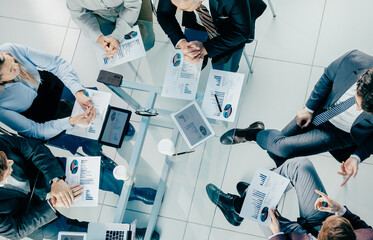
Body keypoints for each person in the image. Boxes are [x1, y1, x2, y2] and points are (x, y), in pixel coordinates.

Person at [220, 50, 373, 186]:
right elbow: (327, 77)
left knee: (280, 148)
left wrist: (356, 157)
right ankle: (281, 177)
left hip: (340, 134)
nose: (358, 109)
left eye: (364, 109)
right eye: (358, 101)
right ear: (361, 80)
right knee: (276, 151)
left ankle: (252, 134)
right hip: (319, 111)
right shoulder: (354, 60)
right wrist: (309, 108)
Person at [0, 134, 159, 240]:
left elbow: (34, 149)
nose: (11, 162)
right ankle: (128, 236)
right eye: (8, 167)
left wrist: (56, 180)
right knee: (70, 234)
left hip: (40, 173)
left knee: (89, 173)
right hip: (25, 215)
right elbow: (16, 230)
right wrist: (52, 205)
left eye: (6, 159)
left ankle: (130, 191)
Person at [0, 42, 136, 163]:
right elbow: (34, 130)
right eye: (11, 70)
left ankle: (116, 124)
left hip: (54, 88)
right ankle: (94, 150)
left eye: (9, 59)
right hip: (43, 118)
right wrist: (70, 121)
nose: (15, 64)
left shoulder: (10, 49)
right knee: (87, 139)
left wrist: (78, 91)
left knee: (94, 106)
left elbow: (57, 64)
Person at [205, 157, 373, 239]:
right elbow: (364, 229)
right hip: (326, 229)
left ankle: (237, 207)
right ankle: (251, 193)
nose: (323, 224)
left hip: (292, 237)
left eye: (323, 228)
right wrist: (339, 210)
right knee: (301, 166)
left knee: (260, 212)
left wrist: (276, 234)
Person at [156, 0, 267, 72]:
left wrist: (205, 48)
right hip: (197, 22)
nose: (178, 10)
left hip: (232, 27)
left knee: (223, 72)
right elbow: (164, 14)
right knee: (188, 65)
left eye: (182, 5)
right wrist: (182, 43)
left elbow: (242, 32)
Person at [66, 0, 155, 55]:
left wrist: (118, 34)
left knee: (147, 43)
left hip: (133, 5)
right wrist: (99, 37)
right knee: (108, 47)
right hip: (103, 14)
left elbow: (132, 6)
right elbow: (79, 15)